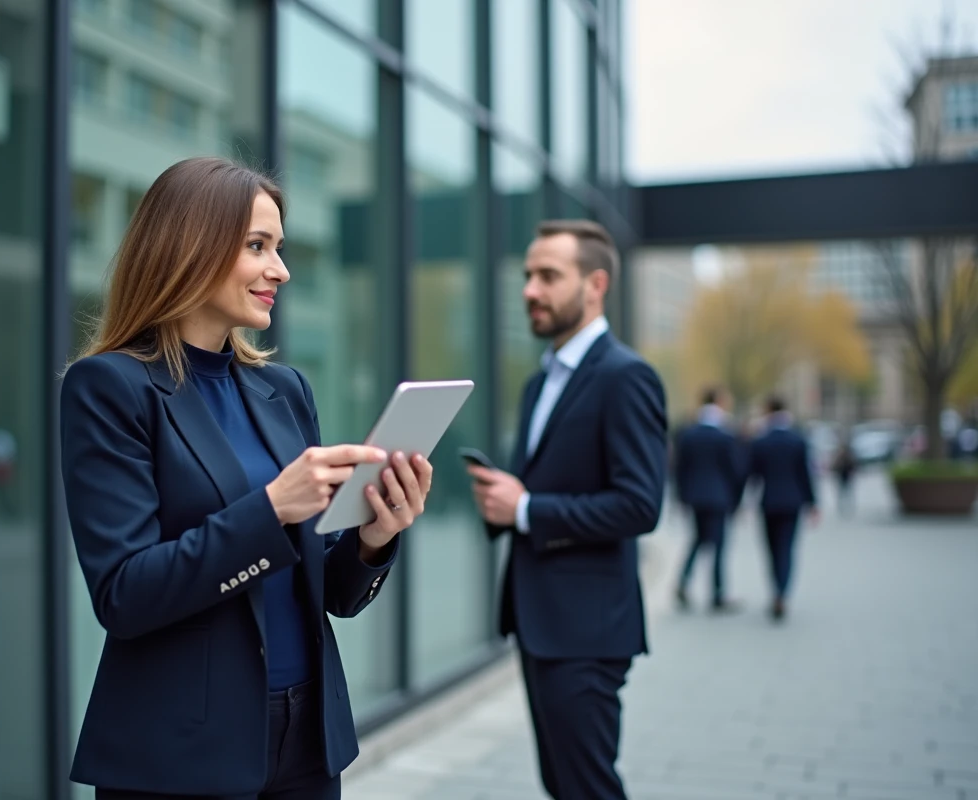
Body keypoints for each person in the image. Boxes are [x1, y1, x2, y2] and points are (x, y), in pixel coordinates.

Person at [60, 157, 433, 799]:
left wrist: (375, 536)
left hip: (308, 743)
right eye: (258, 247)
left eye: (279, 248)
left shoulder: (284, 390)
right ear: (190, 248)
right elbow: (123, 595)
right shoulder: (110, 388)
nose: (280, 270)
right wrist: (272, 508)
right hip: (184, 753)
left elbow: (332, 594)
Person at [466, 220, 668, 800]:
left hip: (587, 630)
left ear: (595, 284)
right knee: (563, 785)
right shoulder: (540, 382)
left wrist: (526, 508)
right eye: (529, 275)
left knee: (586, 788)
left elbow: (640, 505)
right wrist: (502, 500)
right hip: (541, 623)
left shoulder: (626, 377)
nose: (530, 289)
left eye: (548, 276)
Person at [673, 386, 746, 612]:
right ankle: (717, 593)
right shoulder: (725, 434)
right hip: (719, 497)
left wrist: (682, 497)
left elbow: (679, 469)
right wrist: (737, 500)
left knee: (697, 539)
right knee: (719, 545)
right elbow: (735, 471)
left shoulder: (689, 433)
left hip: (695, 496)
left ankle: (683, 581)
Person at [748, 395, 818, 621]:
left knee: (771, 550)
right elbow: (806, 475)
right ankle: (782, 593)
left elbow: (751, 474)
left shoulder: (761, 440)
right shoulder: (798, 439)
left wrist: (739, 500)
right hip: (792, 502)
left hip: (768, 502)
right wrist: (813, 503)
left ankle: (775, 591)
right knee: (787, 549)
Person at [831, 439, 857, 516]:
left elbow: (853, 465)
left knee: (847, 492)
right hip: (841, 477)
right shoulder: (838, 457)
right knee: (841, 493)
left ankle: (848, 506)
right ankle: (841, 507)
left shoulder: (848, 456)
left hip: (846, 476)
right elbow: (834, 466)